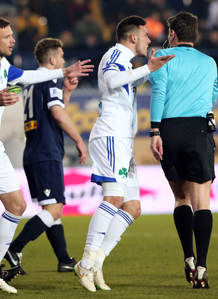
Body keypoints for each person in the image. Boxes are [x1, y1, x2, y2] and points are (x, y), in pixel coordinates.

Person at [0, 17, 93, 296]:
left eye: (12, 35)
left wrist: (63, 72)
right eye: (7, 36)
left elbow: (27, 75)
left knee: (16, 205)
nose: (13, 40)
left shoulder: (3, 66)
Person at [73, 16, 175, 292]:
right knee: (114, 198)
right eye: (145, 35)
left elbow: (124, 83)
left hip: (123, 140)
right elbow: (114, 79)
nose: (149, 39)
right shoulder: (115, 55)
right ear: (132, 37)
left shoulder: (127, 61)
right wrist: (148, 68)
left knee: (132, 207)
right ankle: (85, 261)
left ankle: (96, 262)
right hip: (110, 136)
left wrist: (149, 71)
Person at [4, 38, 87, 274]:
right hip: (45, 151)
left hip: (33, 151)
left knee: (51, 208)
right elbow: (58, 115)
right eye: (61, 57)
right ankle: (14, 248)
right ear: (52, 60)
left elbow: (56, 110)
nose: (63, 61)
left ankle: (63, 259)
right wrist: (79, 140)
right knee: (55, 209)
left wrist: (67, 91)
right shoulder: (49, 78)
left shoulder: (32, 83)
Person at [149, 12, 218, 289]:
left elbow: (159, 92)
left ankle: (188, 258)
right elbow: (213, 93)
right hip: (199, 129)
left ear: (173, 33)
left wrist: (155, 131)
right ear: (196, 34)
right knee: (203, 202)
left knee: (181, 199)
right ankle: (201, 267)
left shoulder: (164, 58)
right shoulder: (209, 61)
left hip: (170, 129)